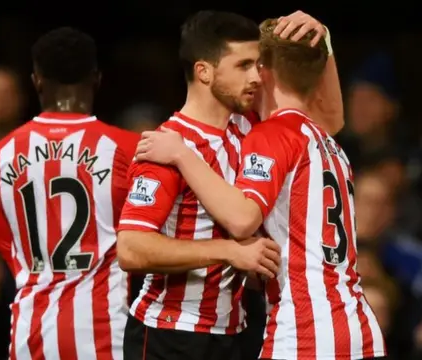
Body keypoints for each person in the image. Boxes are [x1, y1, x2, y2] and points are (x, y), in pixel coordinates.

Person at [135, 17, 386, 360]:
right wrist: (322, 43)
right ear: (205, 71)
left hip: (304, 330)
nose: (253, 75)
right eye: (244, 65)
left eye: (256, 65)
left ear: (268, 71)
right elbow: (131, 249)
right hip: (354, 323)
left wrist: (182, 155)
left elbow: (242, 220)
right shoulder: (319, 137)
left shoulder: (267, 134)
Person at [0, 27, 140, 359]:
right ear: (97, 78)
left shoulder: (1, 154)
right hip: (105, 332)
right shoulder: (128, 149)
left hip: (29, 333)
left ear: (36, 80)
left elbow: (8, 246)